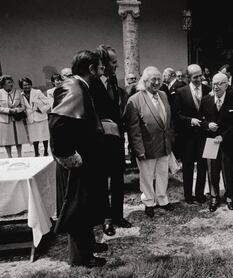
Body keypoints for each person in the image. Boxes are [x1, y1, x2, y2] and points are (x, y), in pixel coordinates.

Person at [49, 50, 107, 267]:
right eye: (100, 68)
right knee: (77, 208)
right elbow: (57, 123)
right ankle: (81, 257)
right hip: (75, 163)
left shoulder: (80, 86)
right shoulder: (73, 87)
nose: (102, 72)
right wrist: (68, 156)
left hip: (85, 160)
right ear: (91, 69)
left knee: (85, 205)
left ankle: (89, 245)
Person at [90, 44, 131, 235]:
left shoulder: (113, 80)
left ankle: (118, 215)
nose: (117, 65)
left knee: (117, 178)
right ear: (104, 64)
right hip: (99, 140)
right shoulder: (92, 82)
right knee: (100, 180)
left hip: (116, 138)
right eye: (114, 62)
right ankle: (105, 219)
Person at [124, 66, 175, 218]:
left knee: (162, 173)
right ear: (145, 81)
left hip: (164, 143)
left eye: (159, 79)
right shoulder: (135, 99)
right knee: (146, 176)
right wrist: (139, 150)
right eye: (153, 79)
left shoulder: (164, 95)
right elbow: (133, 129)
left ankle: (162, 199)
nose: (157, 82)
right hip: (146, 146)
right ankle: (148, 202)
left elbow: (167, 120)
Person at [200, 72, 233, 212]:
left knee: (228, 171)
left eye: (219, 84)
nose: (216, 86)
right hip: (211, 142)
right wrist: (207, 125)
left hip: (227, 142)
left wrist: (224, 136)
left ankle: (230, 196)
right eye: (214, 83)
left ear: (226, 84)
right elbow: (201, 119)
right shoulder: (206, 100)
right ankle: (214, 197)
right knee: (212, 171)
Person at [174, 64, 210, 204]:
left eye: (200, 76)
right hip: (187, 137)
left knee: (202, 166)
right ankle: (188, 195)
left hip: (203, 136)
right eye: (195, 77)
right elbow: (176, 115)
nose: (199, 79)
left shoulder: (208, 90)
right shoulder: (180, 92)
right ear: (188, 77)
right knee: (188, 166)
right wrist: (190, 121)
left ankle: (200, 194)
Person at [19, 77, 51, 157]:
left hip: (40, 116)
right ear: (21, 86)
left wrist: (42, 110)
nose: (27, 86)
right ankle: (36, 152)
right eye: (25, 85)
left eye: (29, 84)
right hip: (30, 118)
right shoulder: (20, 95)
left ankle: (46, 151)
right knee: (34, 136)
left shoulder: (37, 92)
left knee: (44, 135)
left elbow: (48, 102)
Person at [0, 75, 29, 158]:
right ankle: (9, 157)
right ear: (3, 84)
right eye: (9, 82)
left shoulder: (18, 92)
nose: (11, 84)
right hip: (4, 120)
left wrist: (16, 110)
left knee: (18, 138)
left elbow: (23, 106)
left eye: (11, 82)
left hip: (17, 118)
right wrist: (8, 110)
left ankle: (19, 155)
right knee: (6, 139)